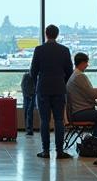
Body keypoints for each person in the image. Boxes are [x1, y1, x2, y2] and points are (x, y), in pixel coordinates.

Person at [30, 24, 74, 159]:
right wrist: (62, 81)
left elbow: (33, 71)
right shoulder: (64, 50)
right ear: (57, 34)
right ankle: (60, 151)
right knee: (59, 120)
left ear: (46, 34)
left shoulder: (39, 50)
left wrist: (38, 81)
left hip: (43, 88)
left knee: (44, 120)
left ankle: (46, 151)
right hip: (59, 88)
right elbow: (69, 72)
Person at [67, 52, 97, 133]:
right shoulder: (79, 76)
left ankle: (96, 140)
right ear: (82, 63)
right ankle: (96, 141)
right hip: (80, 112)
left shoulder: (74, 74)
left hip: (75, 111)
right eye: (86, 63)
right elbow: (92, 94)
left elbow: (87, 91)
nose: (87, 65)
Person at [21, 69, 37, 136]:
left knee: (27, 111)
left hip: (27, 94)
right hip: (31, 94)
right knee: (29, 112)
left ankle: (28, 129)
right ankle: (29, 129)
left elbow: (22, 85)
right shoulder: (35, 77)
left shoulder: (26, 76)